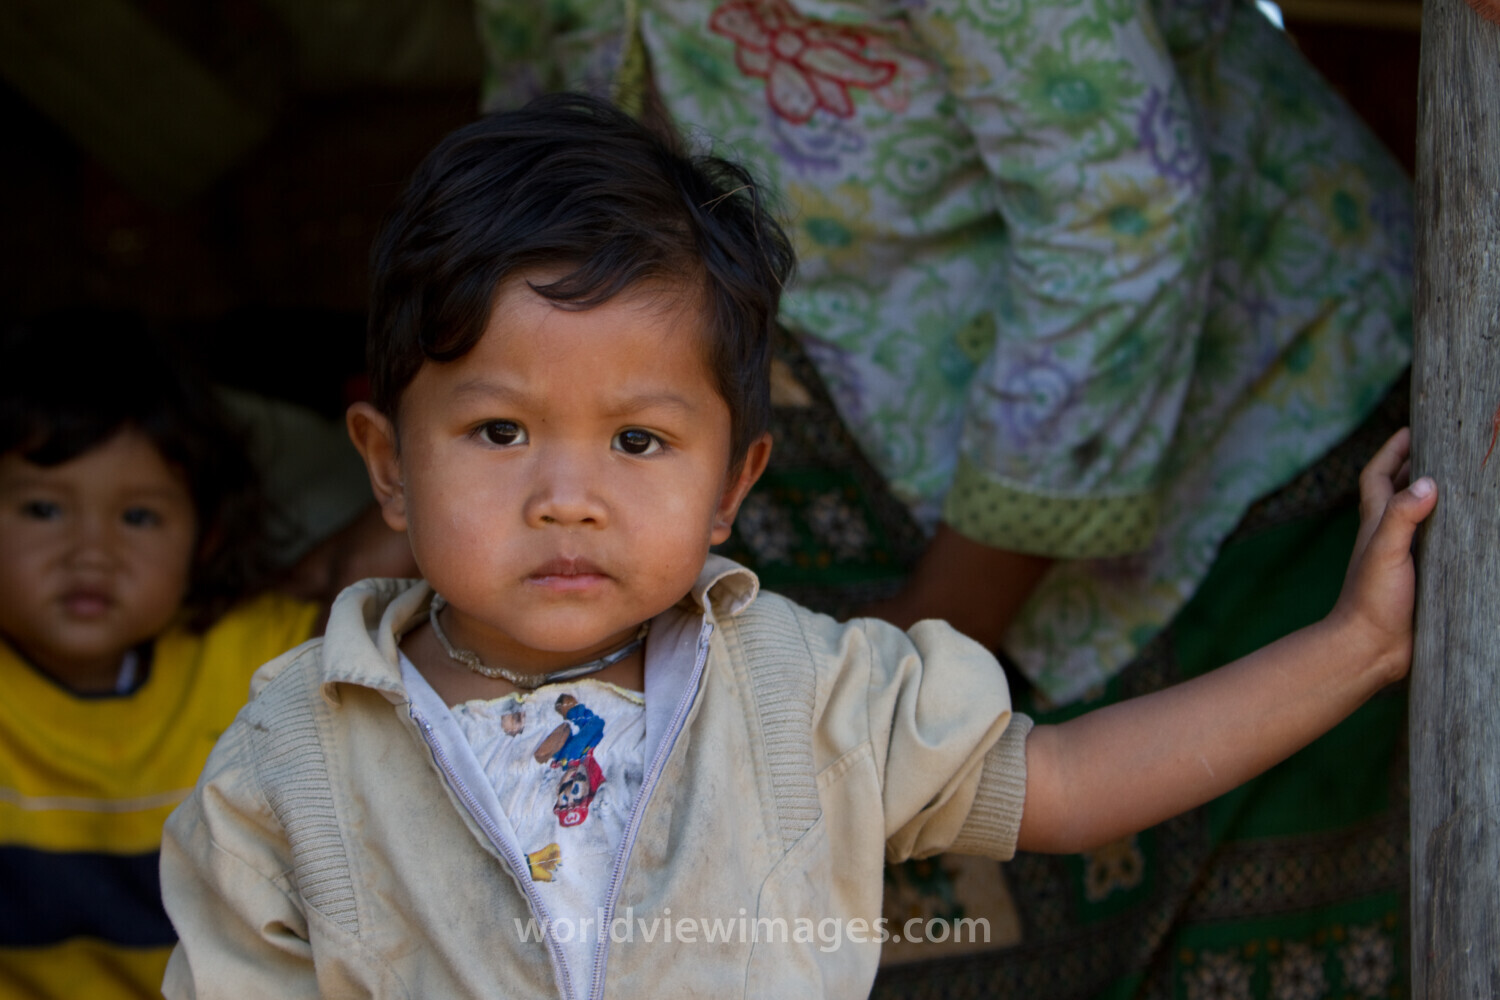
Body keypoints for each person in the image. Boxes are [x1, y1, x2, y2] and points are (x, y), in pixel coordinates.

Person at [158, 94, 1434, 1000]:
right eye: (499, 429)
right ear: (387, 463)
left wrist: (1355, 646)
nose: (568, 495)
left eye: (640, 443)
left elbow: (1070, 785)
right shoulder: (290, 758)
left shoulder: (806, 690)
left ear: (734, 485)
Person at [0, 311, 403, 1000]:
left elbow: (412, 529)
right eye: (43, 510)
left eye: (139, 517)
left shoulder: (248, 656)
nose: (90, 553)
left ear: (205, 539)